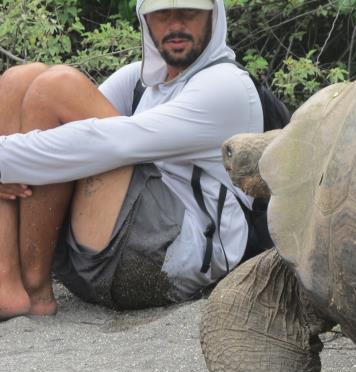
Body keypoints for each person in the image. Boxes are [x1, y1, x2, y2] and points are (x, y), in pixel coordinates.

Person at [0, 0, 263, 319]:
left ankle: (36, 288)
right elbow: (56, 126)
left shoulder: (225, 85)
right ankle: (7, 282)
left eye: (188, 13)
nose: (175, 24)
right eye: (162, 14)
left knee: (56, 87)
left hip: (170, 262)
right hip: (100, 257)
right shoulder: (142, 80)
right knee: (19, 80)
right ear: (145, 18)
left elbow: (107, 144)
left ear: (214, 17)